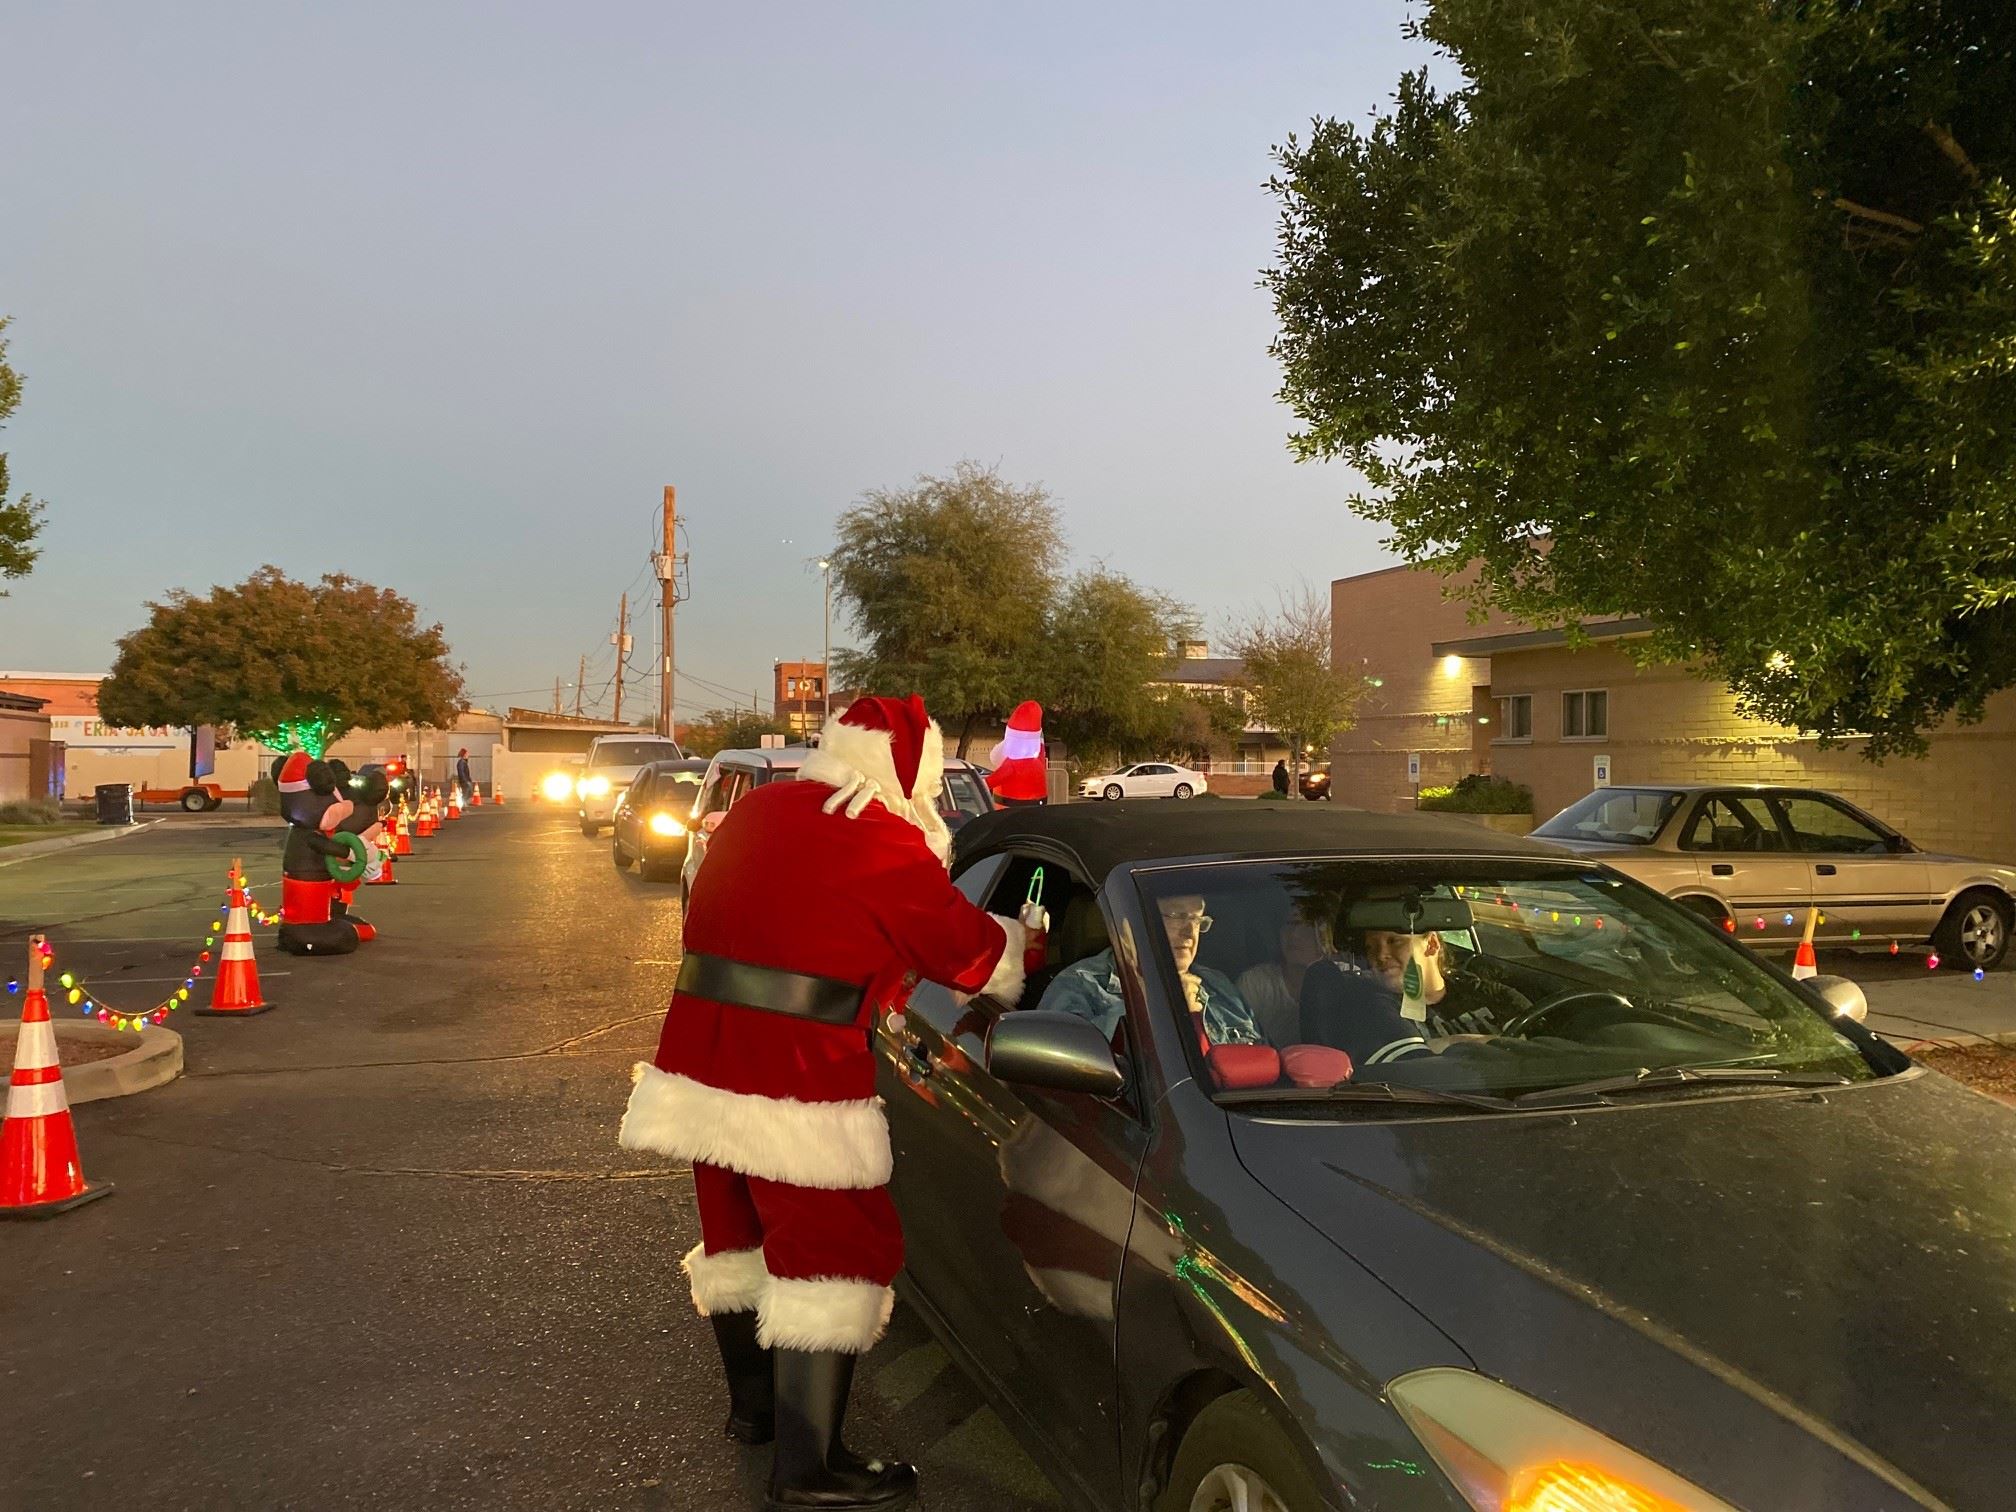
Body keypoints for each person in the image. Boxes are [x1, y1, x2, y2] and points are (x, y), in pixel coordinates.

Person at [619, 695, 1025, 1512]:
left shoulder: (762, 808)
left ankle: (755, 1412)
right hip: (798, 1072)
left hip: (701, 1054)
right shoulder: (880, 839)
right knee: (833, 1247)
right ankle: (810, 1472)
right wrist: (1021, 938)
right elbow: (975, 961)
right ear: (902, 767)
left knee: (734, 1231)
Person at [1042, 892, 1265, 1050]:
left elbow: (1266, 1063)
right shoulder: (1080, 984)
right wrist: (1160, 1007)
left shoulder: (1219, 986)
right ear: (1131, 923)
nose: (1190, 932)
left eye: (1197, 920)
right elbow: (1061, 1071)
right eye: (1177, 916)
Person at [1301, 924, 1530, 1069]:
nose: (1380, 956)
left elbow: (1553, 1052)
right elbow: (1418, 1071)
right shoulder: (1369, 1005)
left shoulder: (1491, 993)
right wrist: (1506, 1047)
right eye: (1371, 948)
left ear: (1431, 944)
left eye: (1394, 941)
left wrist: (1448, 1042)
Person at [1235, 915, 1335, 1045]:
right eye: (1289, 924)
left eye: (1307, 926)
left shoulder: (1347, 979)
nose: (1294, 935)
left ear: (1324, 935)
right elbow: (1237, 1042)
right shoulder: (1255, 982)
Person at [985, 700, 1049, 807]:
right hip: (1038, 809)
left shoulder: (1012, 766)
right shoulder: (1038, 763)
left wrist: (975, 785)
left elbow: (988, 783)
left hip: (1009, 812)